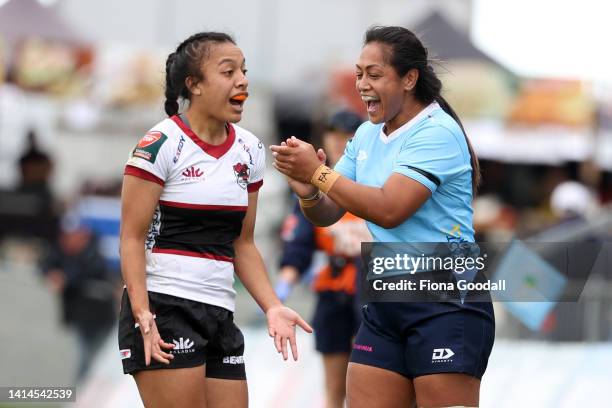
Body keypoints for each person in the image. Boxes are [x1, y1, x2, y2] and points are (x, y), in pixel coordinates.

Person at [271, 26, 495, 407]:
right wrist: (307, 189)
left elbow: (389, 209)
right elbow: (329, 212)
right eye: (359, 73)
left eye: (374, 75)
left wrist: (318, 174)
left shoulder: (437, 131)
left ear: (410, 79)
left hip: (446, 298)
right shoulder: (367, 134)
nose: (362, 84)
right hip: (387, 296)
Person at [118, 32, 312, 408]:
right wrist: (144, 314)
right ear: (194, 84)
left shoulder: (250, 149)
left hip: (219, 313)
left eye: (244, 70)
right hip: (165, 309)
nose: (242, 80)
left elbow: (243, 243)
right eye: (228, 71)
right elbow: (131, 238)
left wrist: (272, 305)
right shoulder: (159, 144)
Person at [276, 110, 370, 408]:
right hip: (332, 289)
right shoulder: (315, 188)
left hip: (372, 289)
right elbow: (299, 243)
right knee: (333, 387)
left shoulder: (373, 180)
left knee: (366, 380)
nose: (341, 143)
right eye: (335, 136)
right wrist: (281, 289)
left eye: (349, 137)